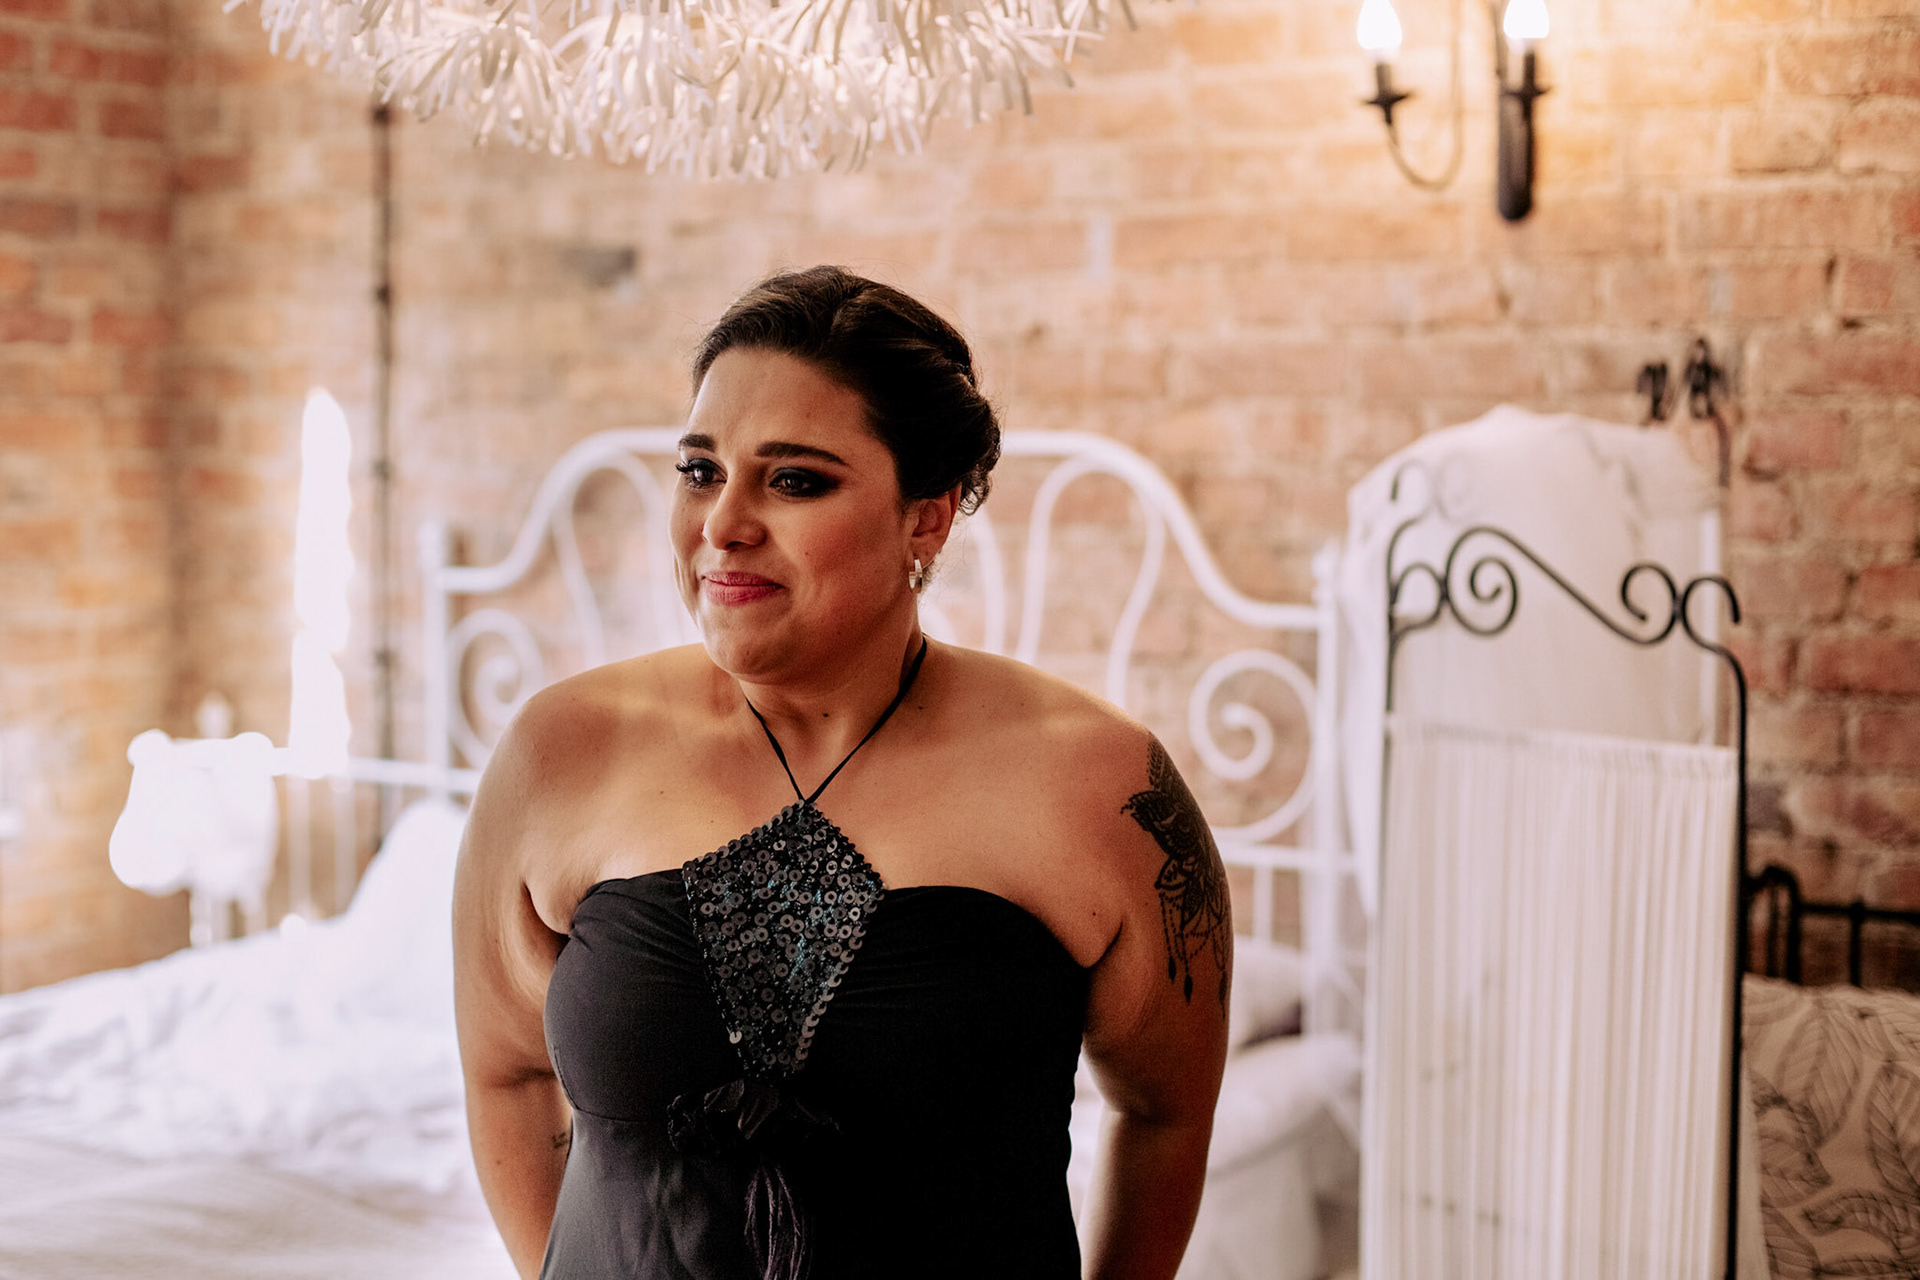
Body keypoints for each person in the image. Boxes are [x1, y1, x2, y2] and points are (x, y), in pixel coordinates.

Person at [453, 266, 1230, 1280]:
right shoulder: (557, 752)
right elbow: (508, 1073)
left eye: (795, 480)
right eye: (700, 470)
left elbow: (1165, 1110)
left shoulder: (1104, 784)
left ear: (927, 518)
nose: (722, 524)